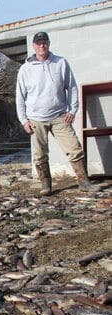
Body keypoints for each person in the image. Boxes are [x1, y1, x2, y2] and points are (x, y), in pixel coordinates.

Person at [16, 31, 100, 195]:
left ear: (48, 44)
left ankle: (84, 182)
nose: (42, 45)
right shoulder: (25, 69)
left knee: (74, 147)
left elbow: (72, 87)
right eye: (39, 43)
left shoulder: (60, 63)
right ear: (34, 46)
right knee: (39, 154)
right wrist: (23, 120)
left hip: (59, 115)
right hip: (35, 119)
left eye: (44, 42)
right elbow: (19, 96)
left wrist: (72, 109)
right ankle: (46, 185)